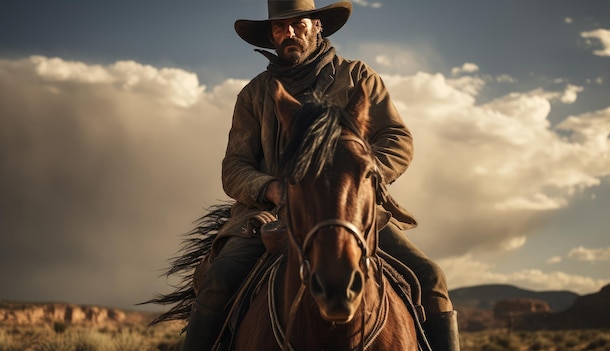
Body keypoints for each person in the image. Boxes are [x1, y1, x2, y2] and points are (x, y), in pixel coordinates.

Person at [183, 1, 460, 350]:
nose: (290, 32)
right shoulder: (255, 94)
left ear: (318, 27)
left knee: (430, 277)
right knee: (219, 280)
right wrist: (271, 188)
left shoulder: (358, 77)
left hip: (352, 207)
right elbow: (234, 166)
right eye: (280, 27)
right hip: (271, 212)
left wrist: (362, 178)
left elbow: (397, 139)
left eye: (299, 24)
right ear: (271, 35)